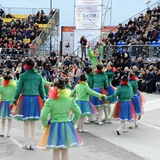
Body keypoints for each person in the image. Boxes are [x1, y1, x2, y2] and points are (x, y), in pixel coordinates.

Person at [37, 78, 82, 160]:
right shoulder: (70, 100)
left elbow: (43, 115)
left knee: (56, 150)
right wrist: (72, 122)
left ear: (55, 89)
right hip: (67, 125)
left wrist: (46, 124)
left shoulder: (50, 101)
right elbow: (78, 112)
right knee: (65, 150)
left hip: (54, 126)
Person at [11, 57, 45, 150]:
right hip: (35, 99)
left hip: (25, 99)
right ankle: (33, 144)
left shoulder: (22, 76)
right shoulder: (39, 76)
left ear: (26, 65)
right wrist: (44, 99)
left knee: (26, 122)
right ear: (34, 65)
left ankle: (26, 144)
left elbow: (18, 90)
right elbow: (41, 90)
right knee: (33, 123)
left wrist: (14, 100)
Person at [0, 71, 16, 137]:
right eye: (6, 79)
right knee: (3, 118)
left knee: (9, 118)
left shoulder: (13, 87)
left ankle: (8, 132)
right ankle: (2, 131)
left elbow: (16, 95)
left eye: (8, 79)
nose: (7, 81)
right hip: (4, 103)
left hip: (10, 104)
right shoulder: (1, 87)